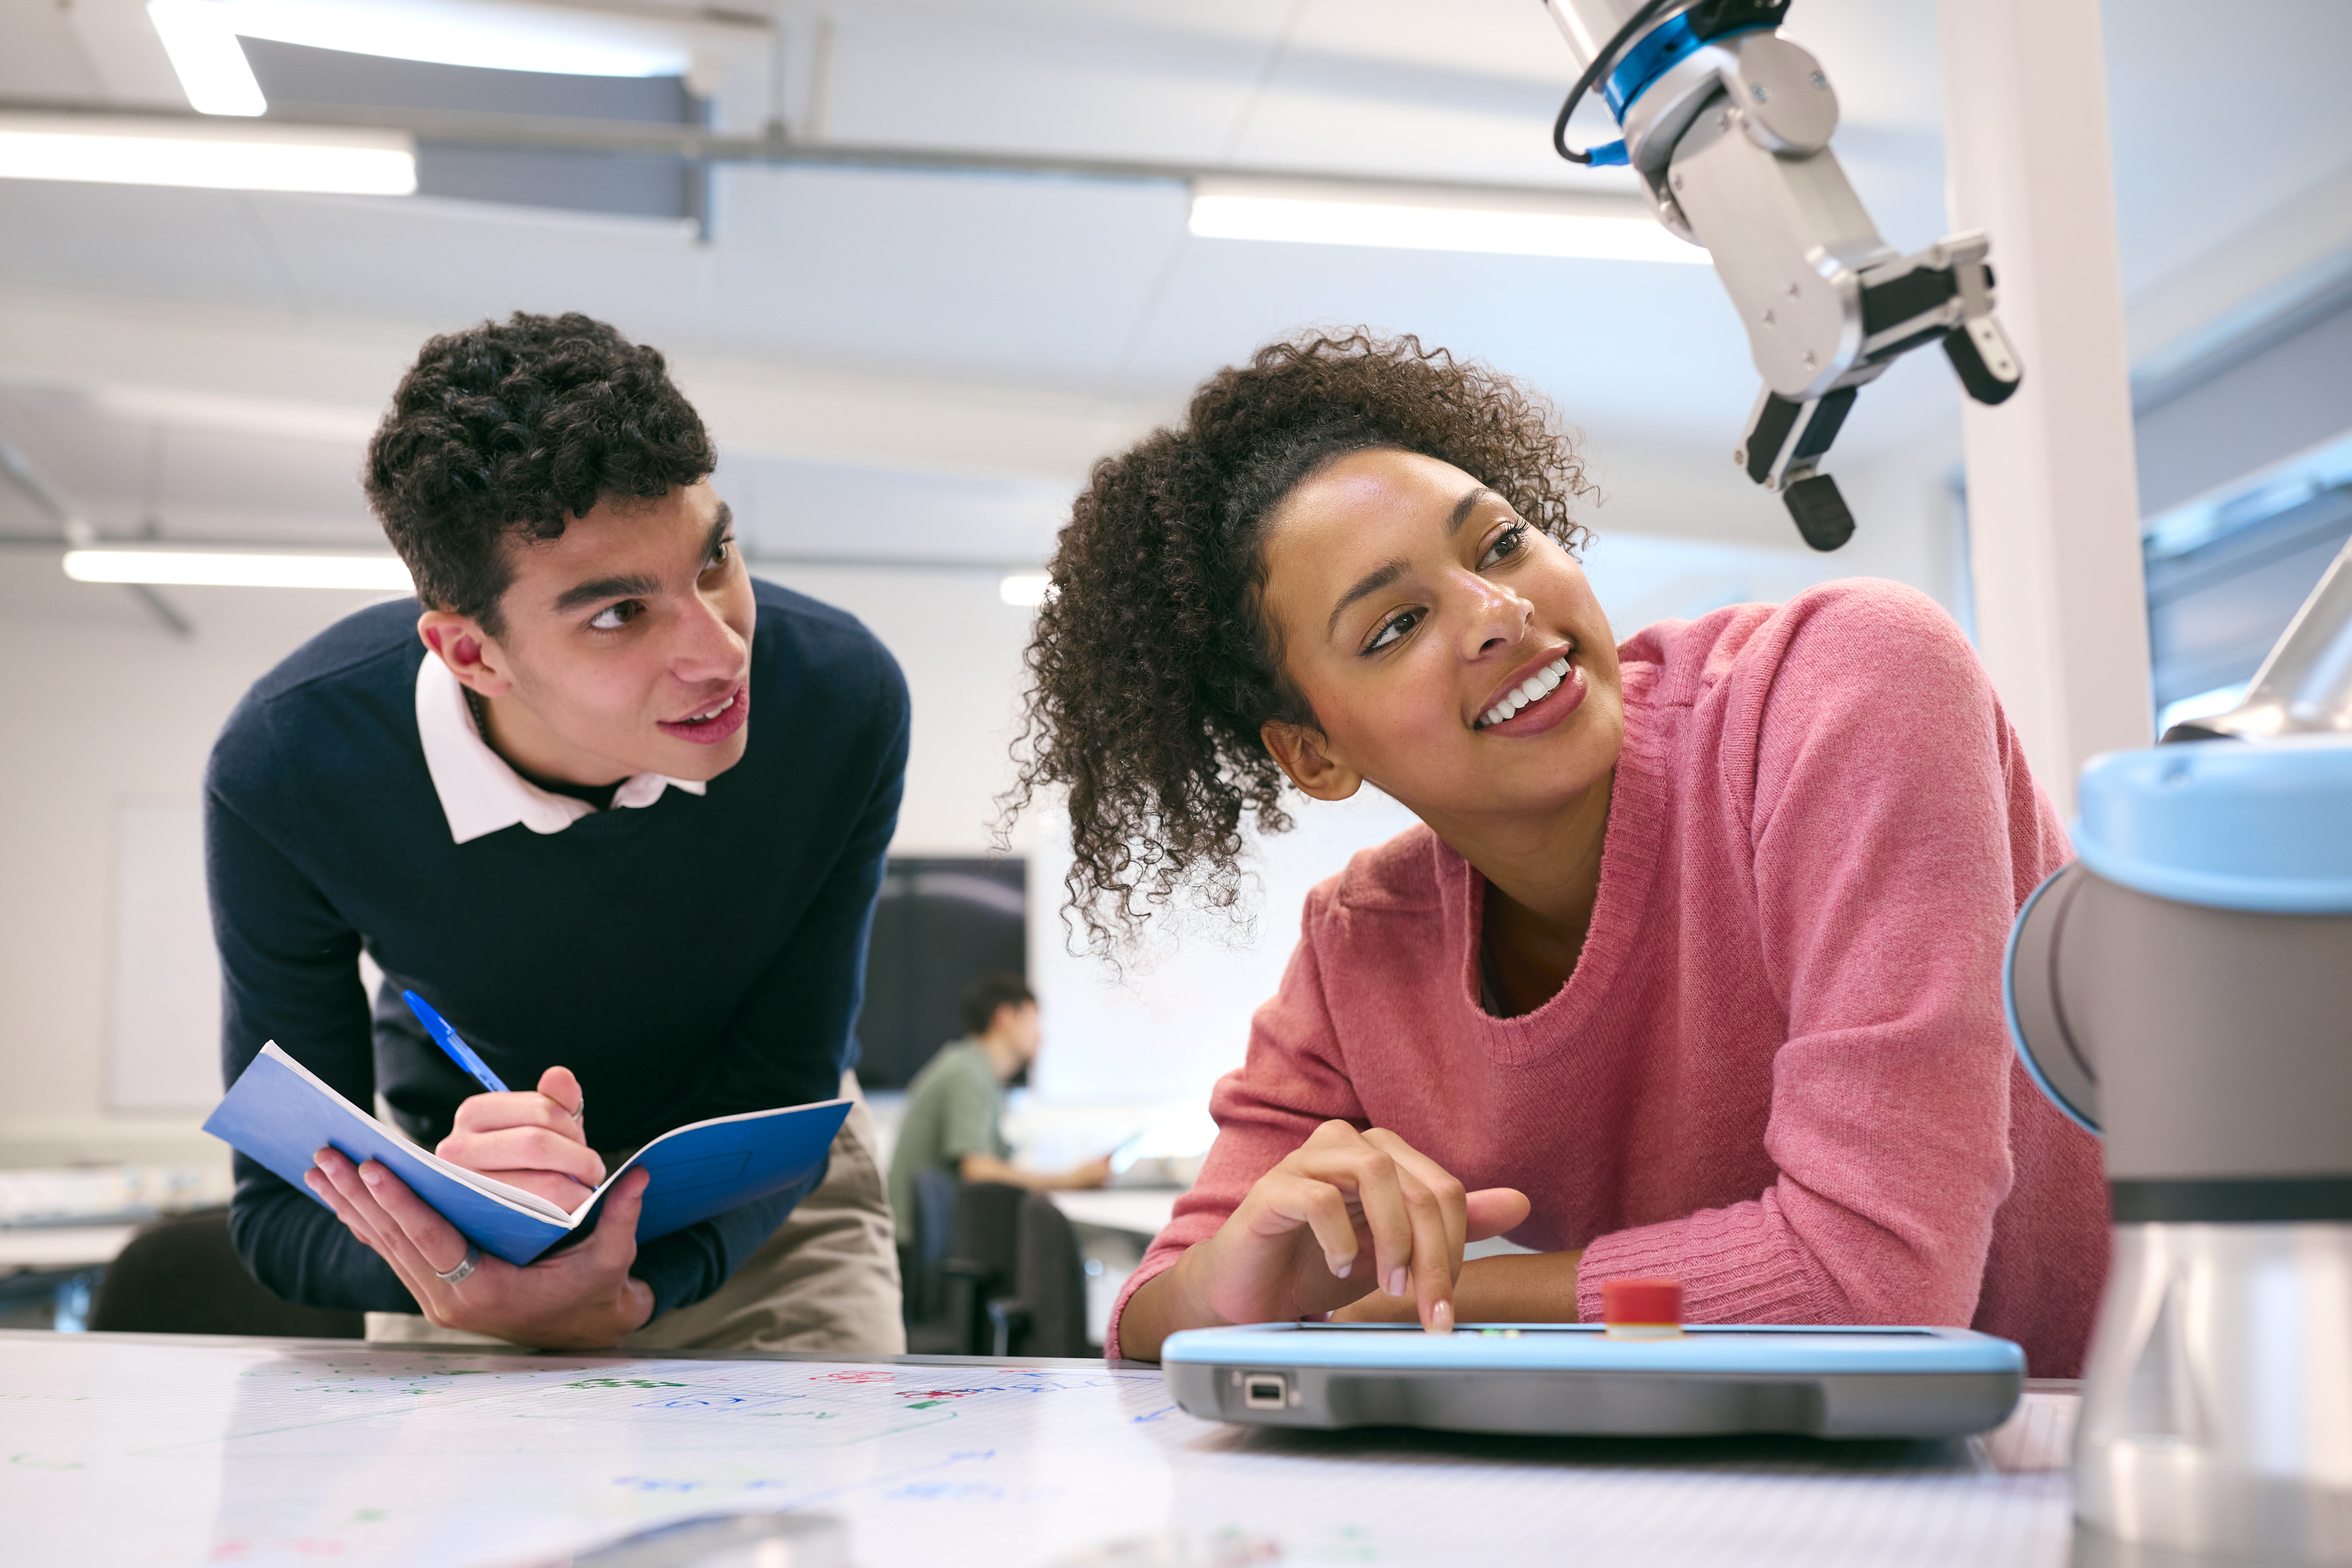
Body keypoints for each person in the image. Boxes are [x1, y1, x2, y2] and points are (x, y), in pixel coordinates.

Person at [1002, 331, 2109, 1376]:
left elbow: (1876, 1286)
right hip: (1716, 1480)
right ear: (1315, 753)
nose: (1495, 614)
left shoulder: (1842, 687)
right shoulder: (1363, 947)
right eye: (1394, 628)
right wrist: (1226, 1289)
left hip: (2072, 1452)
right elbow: (1153, 1311)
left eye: (1500, 543)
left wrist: (1429, 1302)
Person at [207, 311, 910, 1353]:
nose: (720, 655)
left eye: (714, 557)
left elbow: (784, 1091)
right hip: (465, 1222)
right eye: (620, 614)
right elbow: (280, 1208)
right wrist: (463, 1267)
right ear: (471, 654)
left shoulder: (837, 703)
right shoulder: (290, 768)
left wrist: (631, 1290)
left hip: (763, 1216)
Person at [886, 973, 1113, 1257]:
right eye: (1033, 1021)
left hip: (933, 1243)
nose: (1042, 1036)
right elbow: (979, 1171)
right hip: (925, 1251)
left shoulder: (977, 1071)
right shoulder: (968, 1074)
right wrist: (1070, 1179)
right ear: (1006, 1018)